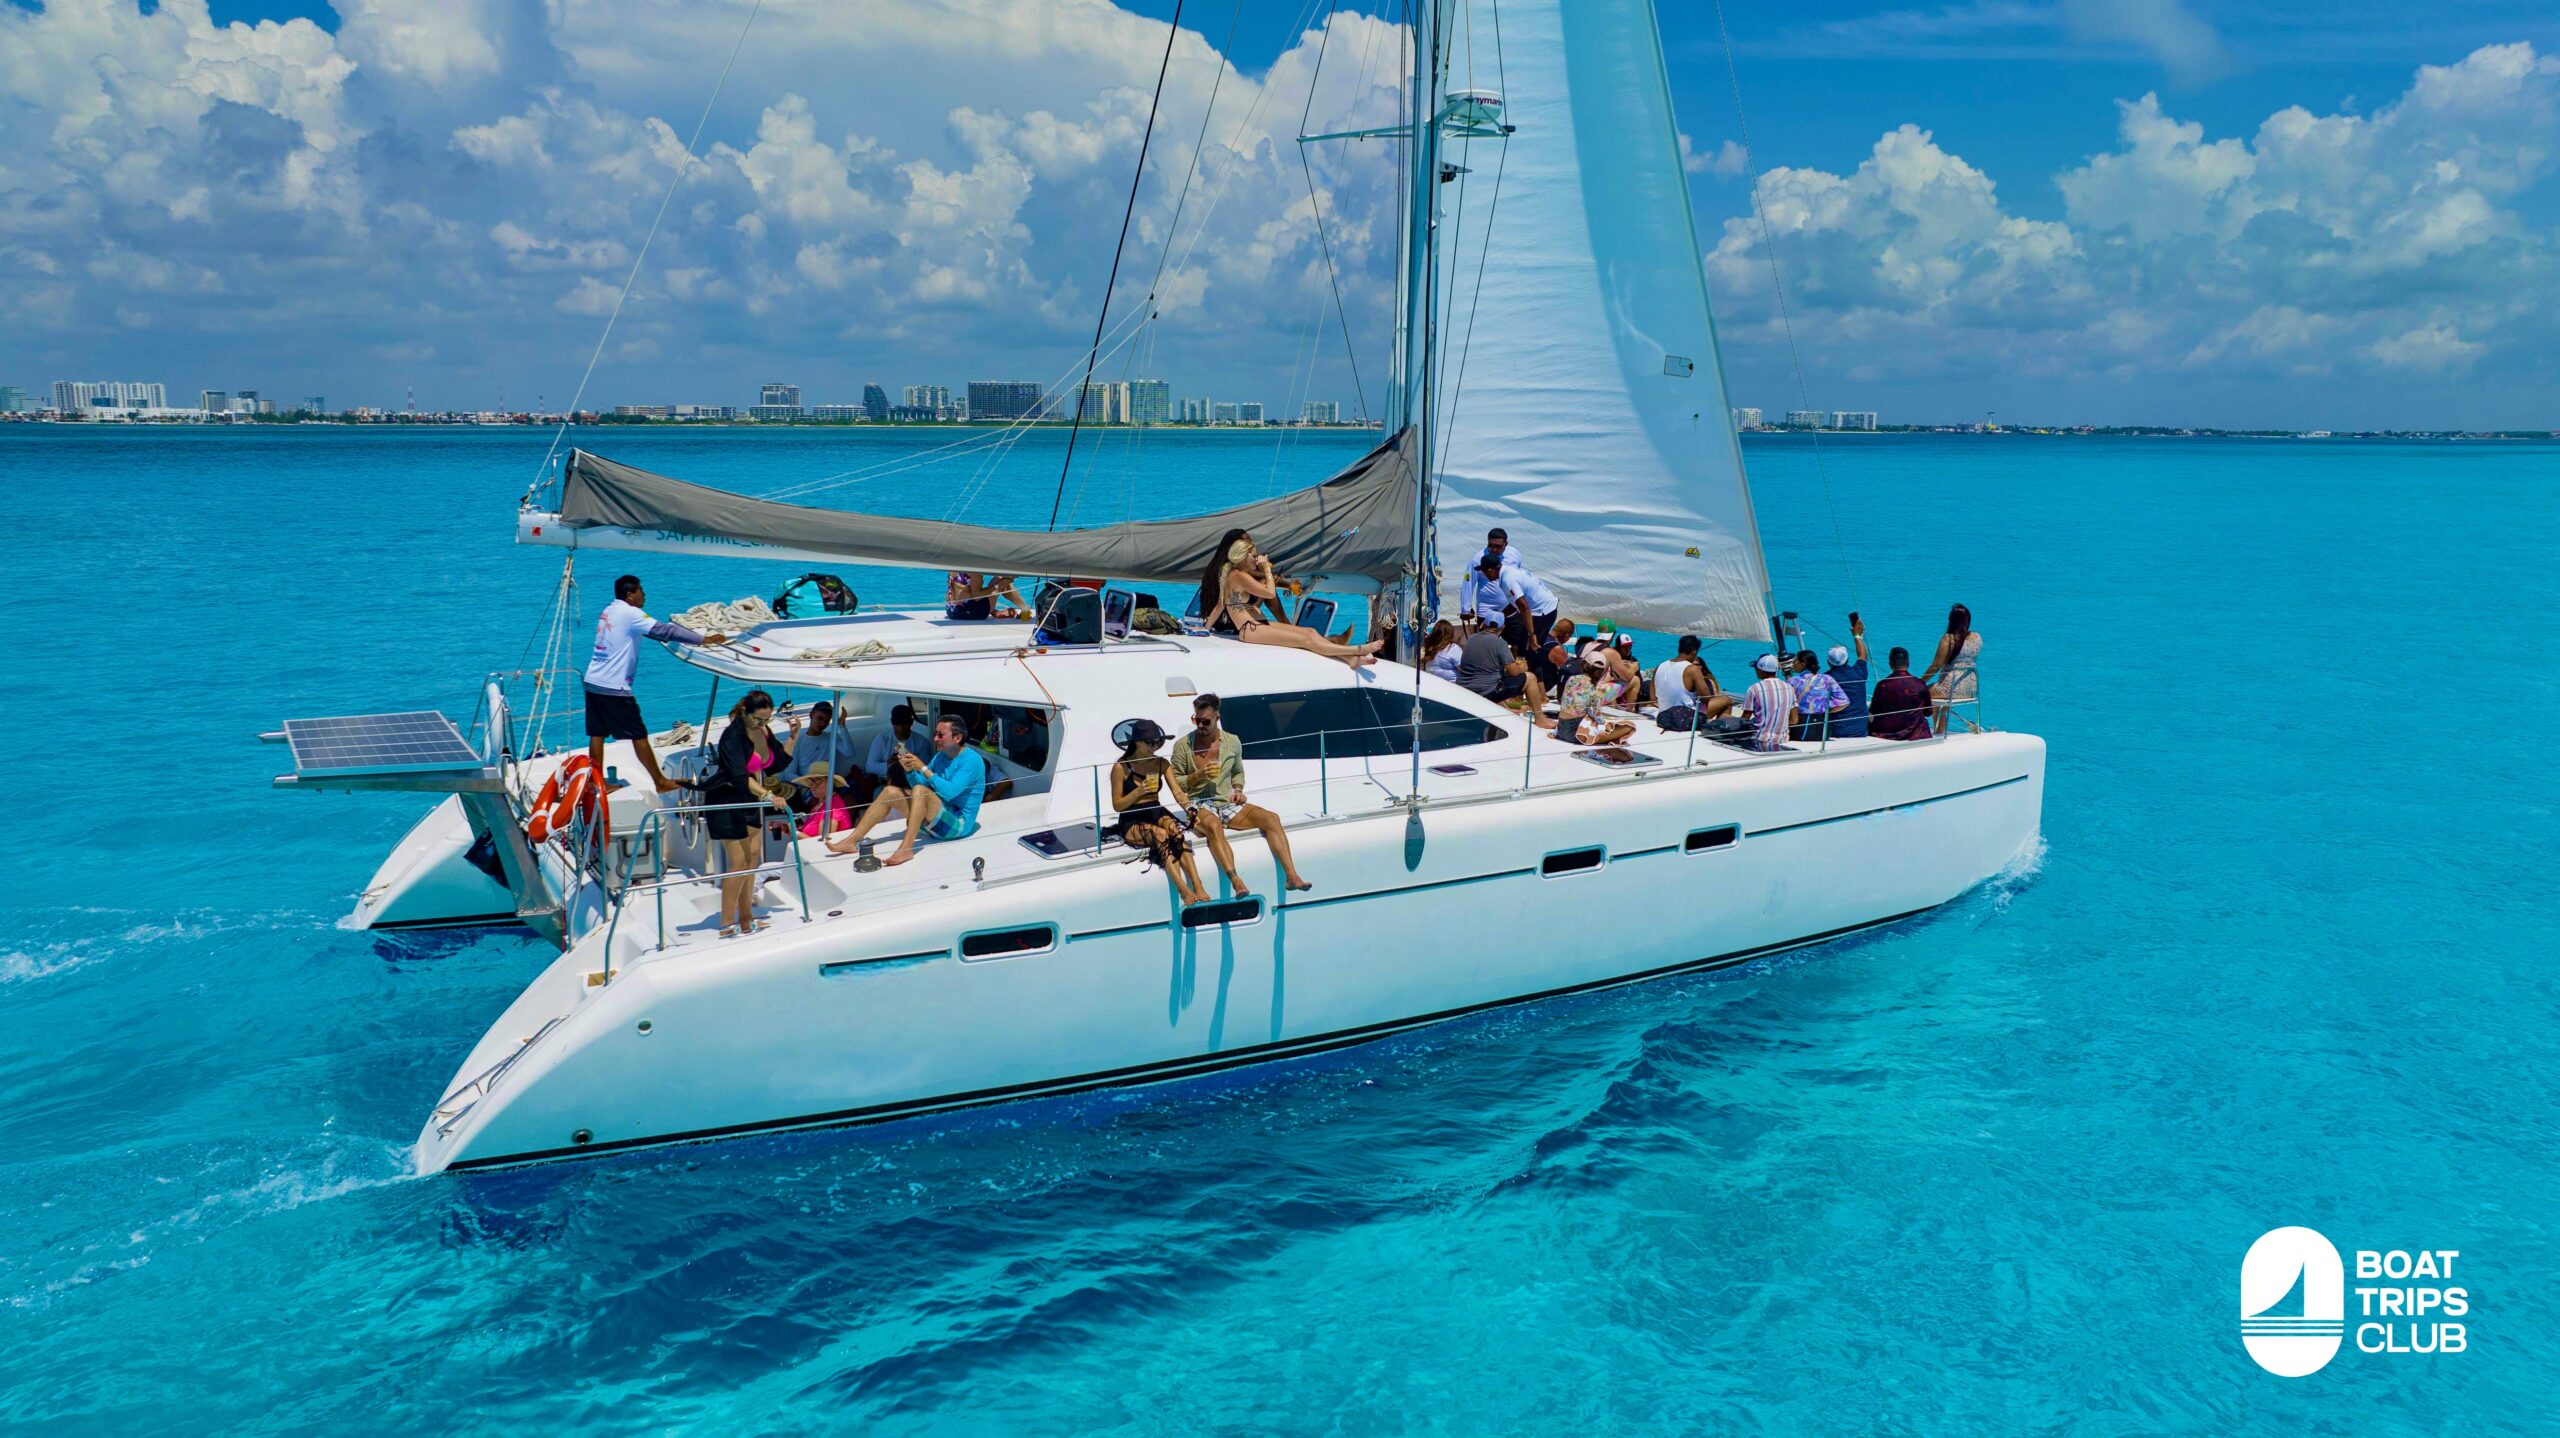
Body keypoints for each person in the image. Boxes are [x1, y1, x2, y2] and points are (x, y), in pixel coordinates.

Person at [583, 573, 727, 797]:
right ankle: (660, 782)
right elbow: (665, 630)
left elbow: (645, 634)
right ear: (630, 595)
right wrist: (703, 639)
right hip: (614, 687)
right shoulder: (632, 613)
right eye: (641, 591)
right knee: (638, 735)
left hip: (594, 681)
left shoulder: (610, 610)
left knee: (597, 734)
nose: (644, 595)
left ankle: (595, 784)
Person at [1170, 692, 1314, 895]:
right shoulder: (1182, 746)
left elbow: (1238, 771)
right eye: (1196, 720)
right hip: (1199, 803)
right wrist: (1199, 775)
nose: (1200, 725)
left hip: (1226, 802)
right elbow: (1175, 783)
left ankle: (1291, 876)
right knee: (1213, 825)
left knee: (1271, 818)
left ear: (1217, 718)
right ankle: (1236, 880)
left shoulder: (1232, 742)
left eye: (1205, 721)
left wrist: (1238, 790)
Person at [1197, 530, 1381, 666]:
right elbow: (1269, 593)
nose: (1256, 559)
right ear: (1243, 557)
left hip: (1254, 626)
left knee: (1309, 632)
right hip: (1250, 629)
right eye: (1253, 556)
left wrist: (1204, 629)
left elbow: (1220, 606)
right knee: (1305, 641)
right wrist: (1267, 570)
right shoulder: (1239, 576)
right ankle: (1357, 650)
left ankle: (1350, 658)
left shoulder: (1229, 574)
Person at [825, 714, 986, 868]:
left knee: (920, 790)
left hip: (958, 825)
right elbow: (920, 783)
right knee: (889, 791)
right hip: (937, 818)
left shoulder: (972, 760)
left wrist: (922, 767)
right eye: (935, 733)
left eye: (941, 735)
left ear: (957, 738)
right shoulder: (940, 757)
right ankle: (852, 840)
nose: (935, 738)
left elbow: (950, 792)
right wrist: (910, 770)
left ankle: (906, 849)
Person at [695, 689, 794, 937]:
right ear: (745, 713)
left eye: (766, 720)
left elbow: (777, 763)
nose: (762, 724)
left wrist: (794, 737)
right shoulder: (732, 737)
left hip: (751, 799)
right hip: (728, 800)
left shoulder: (765, 731)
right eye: (757, 719)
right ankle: (727, 922)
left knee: (752, 860)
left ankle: (747, 919)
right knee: (738, 862)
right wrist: (769, 796)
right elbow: (739, 776)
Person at [1108, 718, 1212, 906]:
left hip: (1155, 809)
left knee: (1176, 832)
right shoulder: (1121, 767)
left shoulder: (1161, 763)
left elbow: (1177, 792)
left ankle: (1198, 884)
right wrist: (1139, 791)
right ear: (1137, 742)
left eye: (1158, 742)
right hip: (1131, 816)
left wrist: (1189, 808)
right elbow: (1117, 805)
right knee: (1160, 835)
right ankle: (1182, 888)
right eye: (1150, 743)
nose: (1155, 747)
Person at [1454, 618, 1549, 723]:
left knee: (1497, 677)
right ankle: (1540, 719)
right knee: (1530, 678)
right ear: (1502, 628)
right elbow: (1513, 672)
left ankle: (1507, 710)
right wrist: (1523, 667)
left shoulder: (1471, 639)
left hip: (1465, 689)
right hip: (1486, 692)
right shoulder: (1500, 643)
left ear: (1482, 625)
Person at [1479, 527, 1560, 647]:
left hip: (1542, 612)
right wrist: (1495, 617)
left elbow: (1523, 606)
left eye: (1484, 572)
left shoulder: (1507, 580)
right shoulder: (1507, 572)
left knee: (1530, 649)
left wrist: (1531, 634)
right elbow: (1514, 605)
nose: (1483, 575)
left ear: (1490, 571)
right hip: (1544, 609)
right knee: (1522, 646)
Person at [1919, 602, 1983, 734]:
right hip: (1971, 687)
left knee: (1922, 692)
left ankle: (1936, 731)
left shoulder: (1948, 639)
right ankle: (1939, 729)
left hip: (1951, 686)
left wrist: (1919, 682)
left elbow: (1935, 666)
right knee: (1938, 697)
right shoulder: (1977, 638)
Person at [1653, 636, 1738, 732]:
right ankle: (1719, 732)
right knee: (1726, 701)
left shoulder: (1659, 666)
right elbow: (1706, 698)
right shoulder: (1692, 669)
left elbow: (1653, 697)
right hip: (1684, 718)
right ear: (1694, 651)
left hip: (1664, 716)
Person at [1554, 652, 1637, 747]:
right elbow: (1597, 718)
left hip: (1560, 729)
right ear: (1602, 672)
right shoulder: (1593, 689)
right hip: (1575, 734)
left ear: (1583, 665)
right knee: (1629, 726)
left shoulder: (1571, 679)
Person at [860, 703, 930, 803]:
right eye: (897, 724)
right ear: (892, 722)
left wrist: (909, 765)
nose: (900, 728)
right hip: (885, 783)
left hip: (911, 784)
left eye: (904, 724)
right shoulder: (882, 739)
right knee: (878, 794)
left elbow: (925, 769)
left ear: (911, 722)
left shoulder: (922, 742)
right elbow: (870, 766)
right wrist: (889, 765)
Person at [1869, 646, 1935, 741]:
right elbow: (1928, 712)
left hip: (1887, 733)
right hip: (1915, 733)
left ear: (1890, 664)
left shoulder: (1882, 685)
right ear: (1908, 663)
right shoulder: (1919, 684)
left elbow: (1874, 711)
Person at [1737, 654, 1798, 752]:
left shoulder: (1754, 689)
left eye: (1756, 669)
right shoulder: (1789, 688)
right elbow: (1794, 720)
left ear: (1761, 670)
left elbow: (1745, 718)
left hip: (1759, 739)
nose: (1755, 670)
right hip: (1782, 740)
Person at [1825, 615, 1872, 738]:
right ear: (1847, 659)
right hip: (1860, 728)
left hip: (1835, 730)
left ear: (1828, 662)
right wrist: (1857, 636)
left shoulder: (1824, 679)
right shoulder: (1858, 672)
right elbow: (1862, 655)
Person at [1788, 651, 1850, 742]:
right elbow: (1844, 702)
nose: (1792, 663)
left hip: (1801, 728)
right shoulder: (1827, 679)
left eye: (1795, 661)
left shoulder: (1793, 681)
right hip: (1823, 729)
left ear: (1802, 664)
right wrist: (1824, 707)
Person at [945, 572, 1028, 621]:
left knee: (1000, 579)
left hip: (951, 611)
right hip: (969, 614)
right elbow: (977, 597)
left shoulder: (955, 564)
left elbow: (962, 593)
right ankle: (1025, 611)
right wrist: (998, 585)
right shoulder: (974, 570)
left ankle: (993, 610)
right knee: (1003, 581)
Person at [1417, 619, 1465, 684]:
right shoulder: (1452, 648)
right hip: (1452, 686)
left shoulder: (1429, 648)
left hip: (1432, 684)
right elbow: (1464, 670)